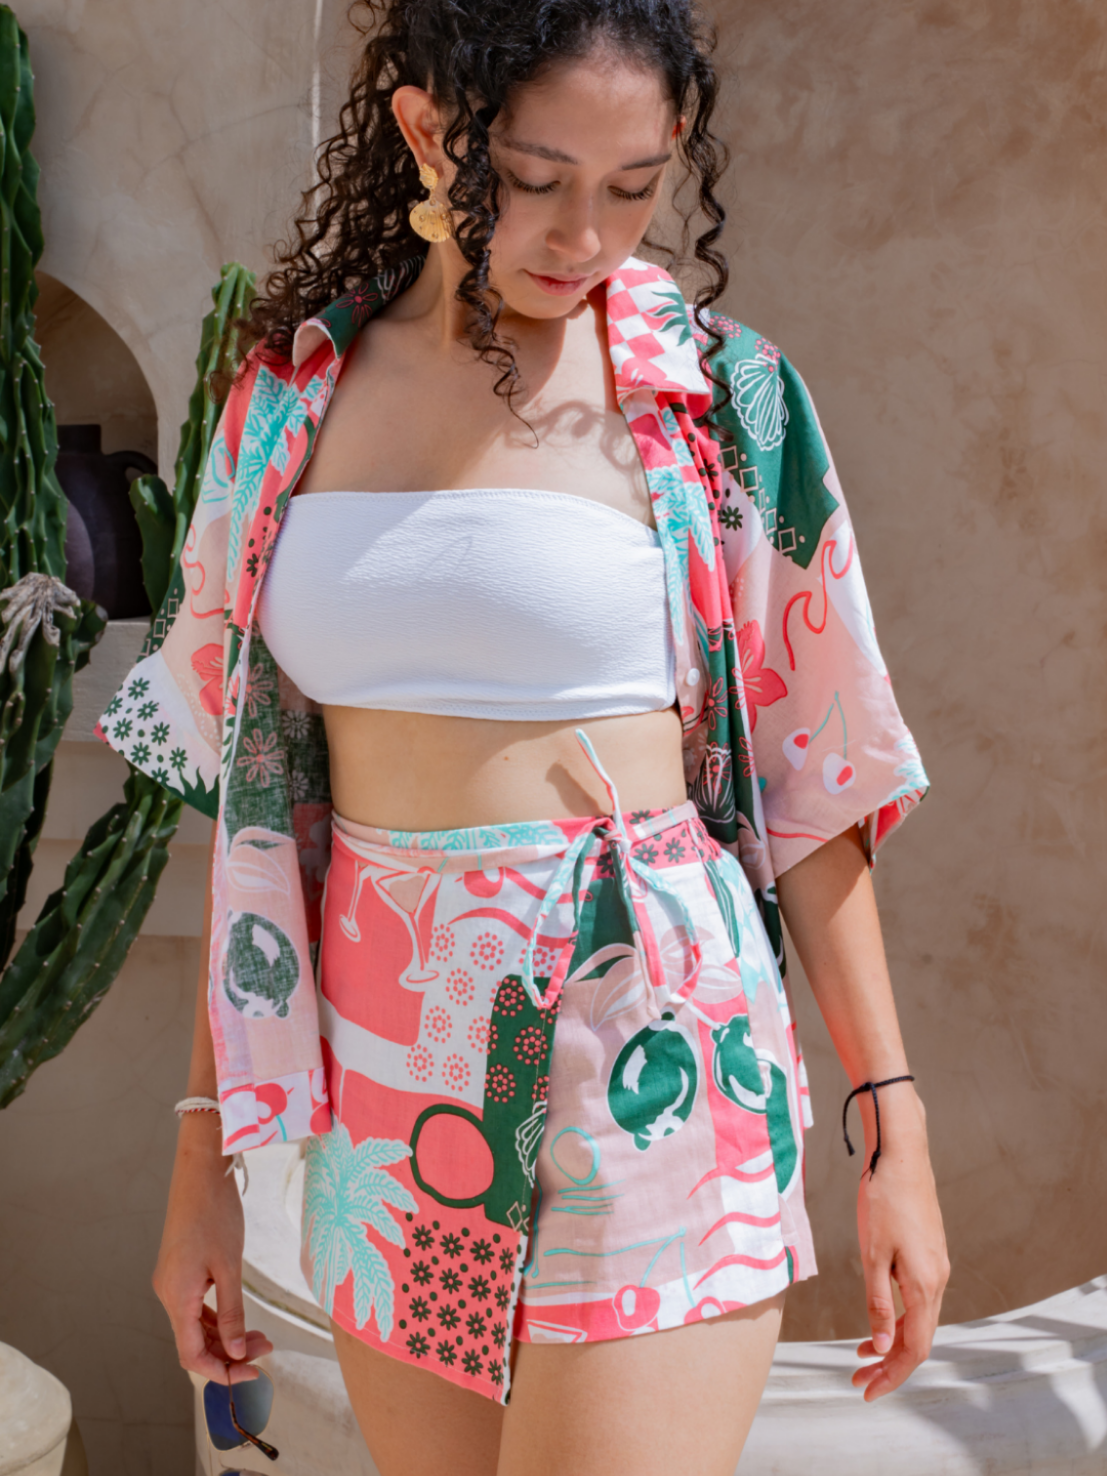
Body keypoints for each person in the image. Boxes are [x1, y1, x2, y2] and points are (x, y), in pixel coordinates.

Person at [96, 1, 949, 1471]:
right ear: (430, 131)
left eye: (633, 186)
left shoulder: (717, 403)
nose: (584, 235)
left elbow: (816, 781)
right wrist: (203, 1159)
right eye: (537, 178)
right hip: (389, 1061)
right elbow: (255, 819)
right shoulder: (286, 400)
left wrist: (893, 1126)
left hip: (641, 1031)